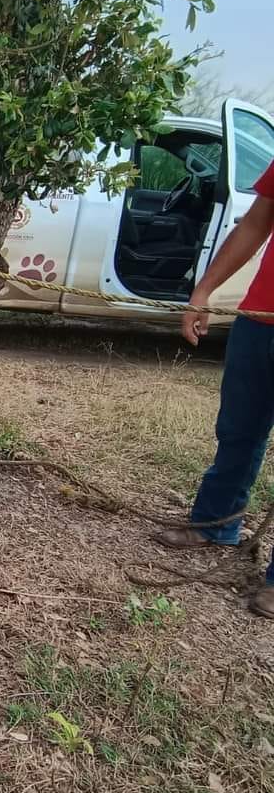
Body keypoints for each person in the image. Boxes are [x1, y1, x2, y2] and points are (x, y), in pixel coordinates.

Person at [155, 157, 274, 615]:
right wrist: (202, 292)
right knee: (238, 431)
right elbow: (256, 224)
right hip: (259, 320)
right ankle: (215, 523)